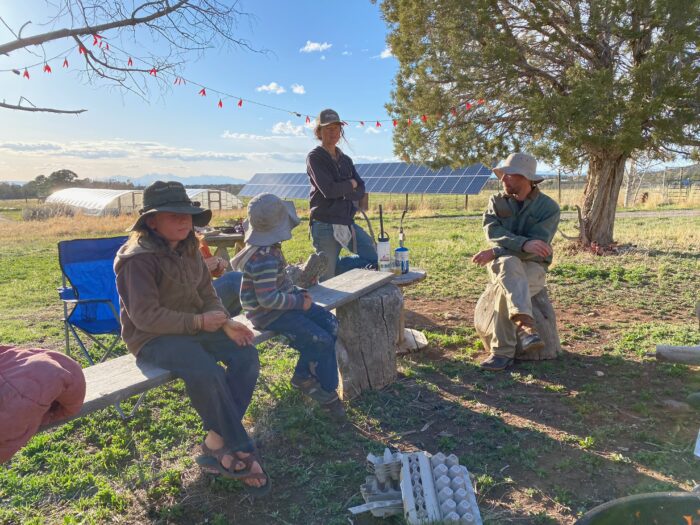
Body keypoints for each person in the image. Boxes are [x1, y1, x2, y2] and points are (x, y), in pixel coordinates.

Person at [113, 181, 270, 495]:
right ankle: (240, 447)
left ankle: (215, 441)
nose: (185, 220)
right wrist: (199, 321)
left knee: (245, 355)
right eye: (174, 215)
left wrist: (224, 323)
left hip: (194, 328)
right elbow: (145, 317)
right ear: (152, 221)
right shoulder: (137, 259)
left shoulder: (189, 248)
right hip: (152, 339)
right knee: (206, 371)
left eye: (188, 214)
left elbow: (207, 294)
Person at [233, 193, 345, 417]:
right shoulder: (264, 256)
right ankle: (326, 390)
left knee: (331, 324)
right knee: (320, 339)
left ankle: (305, 375)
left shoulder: (271, 249)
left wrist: (298, 293)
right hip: (267, 313)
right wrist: (297, 302)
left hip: (282, 304)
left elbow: (279, 284)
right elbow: (267, 299)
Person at [471, 153, 561, 371]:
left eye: (510, 175)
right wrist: (520, 245)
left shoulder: (548, 208)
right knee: (509, 263)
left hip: (533, 266)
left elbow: (538, 248)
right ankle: (526, 329)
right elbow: (493, 231)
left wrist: (496, 251)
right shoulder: (497, 201)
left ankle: (501, 352)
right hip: (502, 264)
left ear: (526, 178)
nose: (503, 179)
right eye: (503, 175)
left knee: (506, 289)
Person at [306, 108, 377, 281]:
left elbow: (360, 188)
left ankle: (337, 268)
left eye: (336, 128)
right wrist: (349, 185)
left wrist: (344, 191)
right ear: (319, 132)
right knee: (327, 280)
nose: (333, 132)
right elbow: (329, 191)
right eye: (328, 128)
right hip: (324, 224)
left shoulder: (346, 160)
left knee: (375, 256)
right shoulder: (315, 157)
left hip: (346, 222)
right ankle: (330, 271)